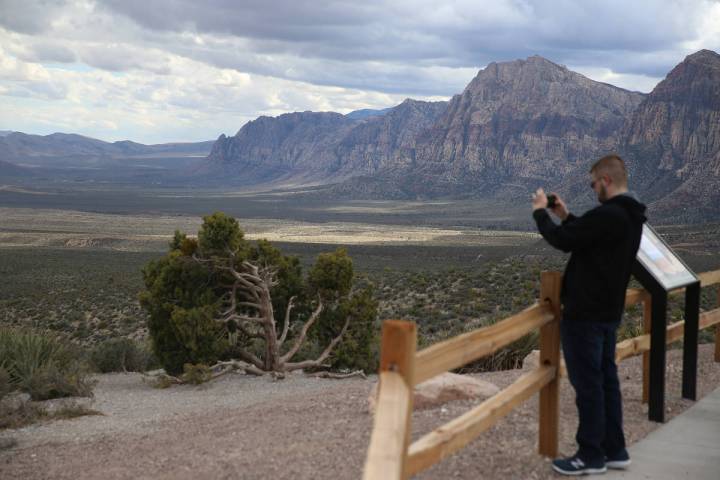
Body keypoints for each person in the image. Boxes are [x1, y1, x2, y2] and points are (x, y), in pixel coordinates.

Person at [531, 154, 647, 476]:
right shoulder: (629, 215)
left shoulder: (611, 214)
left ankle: (590, 454)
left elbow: (564, 241)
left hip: (586, 316)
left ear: (606, 181)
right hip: (608, 313)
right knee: (606, 381)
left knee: (589, 387)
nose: (592, 188)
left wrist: (541, 213)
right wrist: (566, 215)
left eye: (593, 183)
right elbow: (587, 238)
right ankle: (615, 449)